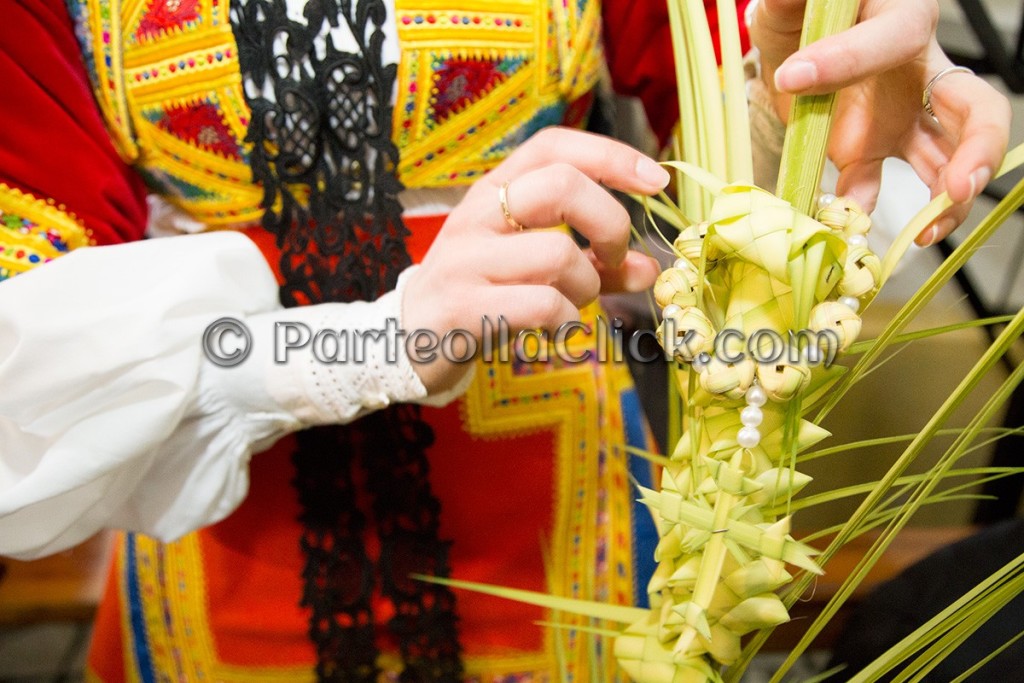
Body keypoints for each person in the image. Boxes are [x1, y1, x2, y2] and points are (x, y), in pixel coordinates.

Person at [0, 0, 1010, 680]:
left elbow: (713, 181)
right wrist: (376, 340)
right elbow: (21, 351)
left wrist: (806, 100)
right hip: (212, 539)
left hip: (576, 537)